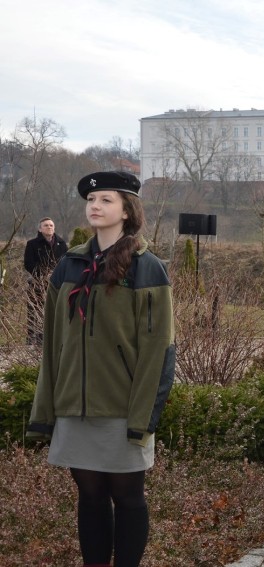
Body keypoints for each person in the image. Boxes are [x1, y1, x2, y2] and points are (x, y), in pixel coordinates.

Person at [27, 171, 175, 567]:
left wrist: (144, 416)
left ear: (128, 210)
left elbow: (159, 348)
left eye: (106, 200)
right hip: (73, 406)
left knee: (127, 498)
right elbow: (52, 345)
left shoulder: (148, 269)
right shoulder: (68, 266)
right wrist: (47, 410)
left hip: (123, 407)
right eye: (91, 201)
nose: (95, 206)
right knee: (88, 497)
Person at [24, 217, 68, 345]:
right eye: (46, 225)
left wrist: (55, 275)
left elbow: (65, 262)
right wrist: (42, 275)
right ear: (40, 228)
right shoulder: (32, 244)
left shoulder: (61, 243)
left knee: (55, 310)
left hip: (56, 284)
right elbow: (29, 263)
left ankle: (52, 337)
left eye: (51, 225)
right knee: (35, 311)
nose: (49, 227)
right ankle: (32, 339)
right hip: (37, 284)